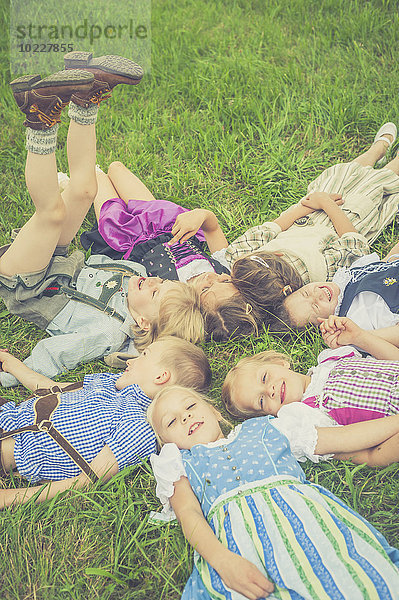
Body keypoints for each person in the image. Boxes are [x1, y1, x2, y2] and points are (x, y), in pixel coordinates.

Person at [79, 123, 399, 340]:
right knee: (116, 171)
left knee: (107, 175)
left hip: (134, 240)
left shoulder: (165, 297)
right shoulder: (231, 270)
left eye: (212, 286)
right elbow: (232, 232)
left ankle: (83, 175)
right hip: (163, 228)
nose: (213, 277)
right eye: (223, 281)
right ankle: (380, 149)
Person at [0, 53, 204, 388]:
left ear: (140, 320)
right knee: (84, 189)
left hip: (26, 284)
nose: (155, 281)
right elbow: (95, 260)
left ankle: (38, 118)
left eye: (156, 293)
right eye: (163, 283)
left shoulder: (105, 333)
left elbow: (57, 353)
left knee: (51, 215)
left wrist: (11, 373)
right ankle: (85, 97)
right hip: (58, 259)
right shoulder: (137, 277)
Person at [148, 385, 399, 600]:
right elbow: (189, 514)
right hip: (239, 546)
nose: (185, 417)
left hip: (308, 524)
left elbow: (347, 437)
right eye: (171, 421)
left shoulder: (269, 429)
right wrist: (222, 560)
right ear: (166, 442)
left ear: (213, 410)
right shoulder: (180, 464)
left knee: (349, 577)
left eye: (190, 406)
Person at [0, 335, 211, 508]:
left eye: (143, 355)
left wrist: (10, 497)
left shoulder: (140, 427)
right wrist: (11, 364)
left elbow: (86, 481)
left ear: (161, 376)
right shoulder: (113, 382)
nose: (130, 361)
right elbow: (51, 388)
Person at [221, 315, 399, 465]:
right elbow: (359, 444)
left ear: (278, 362)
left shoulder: (330, 359)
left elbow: (393, 365)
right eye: (261, 400)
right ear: (268, 416)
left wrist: (359, 337)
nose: (270, 391)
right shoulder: (306, 418)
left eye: (265, 378)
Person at [267, 232, 399, 336]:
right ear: (324, 326)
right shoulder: (356, 317)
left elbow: (385, 263)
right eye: (315, 306)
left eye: (305, 293)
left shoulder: (343, 280)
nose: (317, 295)